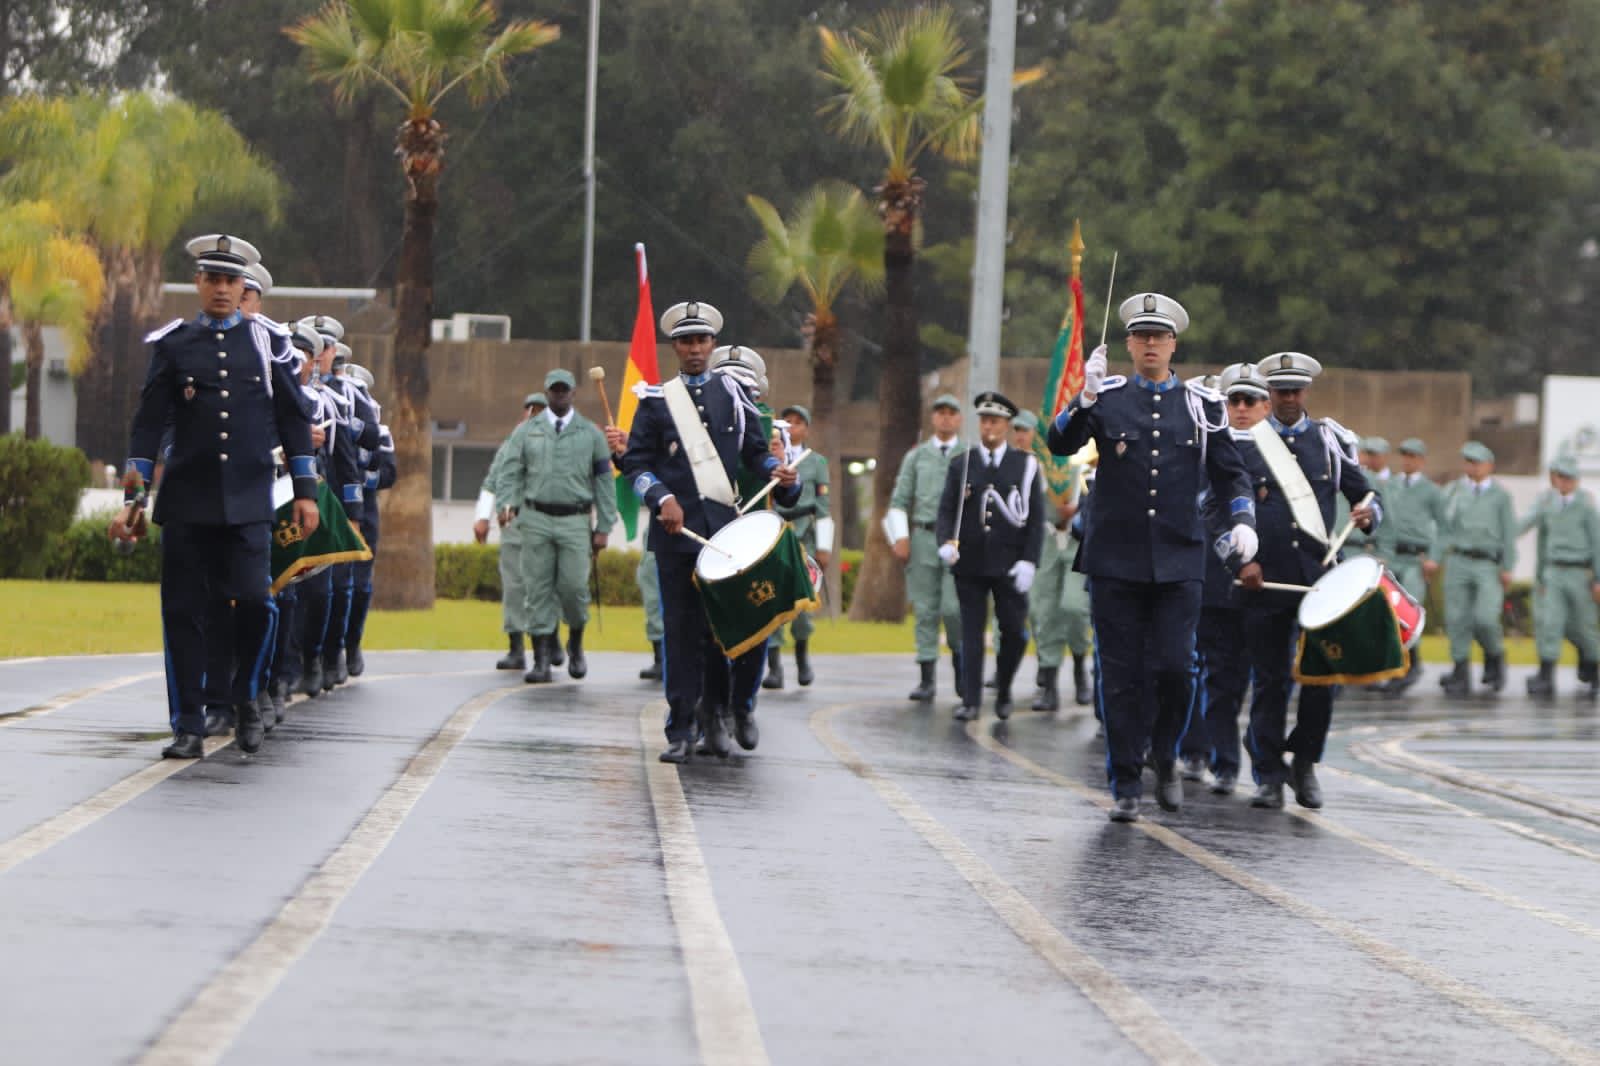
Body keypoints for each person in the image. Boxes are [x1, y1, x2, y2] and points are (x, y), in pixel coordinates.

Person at [1047, 292, 1256, 822]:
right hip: (1115, 559)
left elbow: (1232, 473)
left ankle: (1165, 754)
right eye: (1141, 337)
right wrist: (1082, 402)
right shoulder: (1109, 397)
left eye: (1159, 337)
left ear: (1173, 345)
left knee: (1175, 669)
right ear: (1129, 345)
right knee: (1119, 676)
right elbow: (1059, 445)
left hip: (1179, 559)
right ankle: (1123, 781)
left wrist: (1243, 520)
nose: (1150, 345)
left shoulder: (1202, 406)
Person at [110, 234, 319, 759]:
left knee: (255, 602)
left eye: (232, 281)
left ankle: (246, 696)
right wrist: (134, 500)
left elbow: (295, 419)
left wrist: (306, 491)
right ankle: (187, 723)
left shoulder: (269, 345)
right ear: (199, 284)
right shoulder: (174, 344)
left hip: (249, 502)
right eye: (214, 280)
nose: (223, 290)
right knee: (183, 613)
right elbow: (147, 427)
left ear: (243, 286)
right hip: (186, 503)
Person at [615, 300, 801, 762]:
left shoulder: (733, 397)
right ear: (675, 346)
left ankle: (718, 717)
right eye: (686, 342)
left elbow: (755, 454)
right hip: (677, 538)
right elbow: (636, 463)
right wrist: (662, 498)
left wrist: (777, 468)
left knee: (722, 633)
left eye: (701, 341)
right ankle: (680, 728)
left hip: (724, 535)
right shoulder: (656, 401)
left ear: (712, 344)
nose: (695, 349)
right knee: (680, 634)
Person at [1224, 353, 1378, 810]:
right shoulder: (1245, 443)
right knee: (1270, 682)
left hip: (1319, 584)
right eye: (1280, 391)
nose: (1288, 398)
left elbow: (1366, 492)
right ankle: (1268, 776)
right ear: (1268, 394)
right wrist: (1240, 563)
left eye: (1295, 391)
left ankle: (1305, 762)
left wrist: (1370, 512)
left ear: (1306, 392)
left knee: (1322, 679)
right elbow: (1221, 511)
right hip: (1265, 582)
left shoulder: (1328, 441)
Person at [495, 369, 618, 683]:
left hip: (575, 521)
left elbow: (604, 482)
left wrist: (604, 525)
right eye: (554, 390)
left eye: (564, 390)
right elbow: (510, 470)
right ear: (547, 393)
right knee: (536, 589)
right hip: (535, 518)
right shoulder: (527, 431)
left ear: (573, 393)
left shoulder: (590, 434)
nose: (559, 395)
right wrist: (506, 503)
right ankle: (541, 658)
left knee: (574, 587)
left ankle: (575, 642)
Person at [937, 392, 1045, 721]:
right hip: (969, 561)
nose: (989, 426)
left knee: (1013, 631)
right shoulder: (962, 463)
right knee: (972, 631)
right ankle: (970, 700)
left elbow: (1035, 518)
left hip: (1009, 563)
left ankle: (1006, 686)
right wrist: (945, 542)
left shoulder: (1025, 465)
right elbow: (947, 509)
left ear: (1008, 425)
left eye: (995, 421)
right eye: (984, 420)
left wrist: (1029, 560)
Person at [1190, 362, 1271, 794]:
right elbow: (1208, 510)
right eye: (1233, 400)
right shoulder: (1209, 446)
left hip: (1269, 588)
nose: (1241, 408)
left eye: (1250, 401)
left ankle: (1264, 765)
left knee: (1263, 681)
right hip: (1220, 582)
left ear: (1265, 404)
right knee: (1216, 676)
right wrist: (1237, 562)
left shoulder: (1284, 451)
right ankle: (1221, 759)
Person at [887, 394, 965, 703]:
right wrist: (900, 537)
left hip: (957, 541)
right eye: (940, 413)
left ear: (959, 419)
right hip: (922, 537)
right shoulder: (917, 457)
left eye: (951, 413)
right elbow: (899, 500)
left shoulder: (967, 455)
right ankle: (927, 678)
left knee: (954, 609)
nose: (945, 418)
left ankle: (962, 669)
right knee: (925, 609)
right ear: (933, 419)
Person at [1015, 409, 1092, 711]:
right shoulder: (1034, 467)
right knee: (1043, 611)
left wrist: (1078, 512)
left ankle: (1079, 664)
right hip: (1046, 541)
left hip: (1076, 543)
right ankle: (1047, 682)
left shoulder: (1085, 463)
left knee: (1073, 607)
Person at [1438, 442, 1518, 697]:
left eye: (1477, 462)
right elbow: (1443, 529)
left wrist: (1508, 567)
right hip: (1458, 560)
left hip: (1487, 563)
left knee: (1485, 618)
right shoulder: (1453, 491)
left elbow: (1509, 534)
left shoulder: (1501, 496)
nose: (1471, 466)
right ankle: (1460, 672)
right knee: (1457, 618)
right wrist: (1433, 557)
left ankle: (1494, 655)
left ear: (1489, 466)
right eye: (1468, 461)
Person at [1520, 454, 1600, 698]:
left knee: (1584, 627)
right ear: (1555, 478)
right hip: (1554, 570)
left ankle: (1593, 671)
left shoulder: (1586, 506)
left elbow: (1597, 544)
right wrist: (1541, 577)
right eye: (1561, 477)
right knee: (1550, 624)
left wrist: (1598, 579)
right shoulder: (1547, 504)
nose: (1565, 482)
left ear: (1576, 480)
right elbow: (1541, 543)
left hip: (1580, 572)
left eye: (1569, 478)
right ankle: (1546, 676)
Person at [475, 393, 542, 671]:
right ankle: (516, 647)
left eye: (540, 411)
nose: (533, 416)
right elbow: (492, 482)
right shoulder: (510, 446)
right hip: (514, 525)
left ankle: (549, 642)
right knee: (515, 587)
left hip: (548, 525)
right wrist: (482, 517)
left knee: (547, 587)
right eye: (530, 410)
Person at [767, 403, 832, 689]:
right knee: (772, 601)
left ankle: (802, 658)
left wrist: (825, 546)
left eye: (798, 422)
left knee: (804, 602)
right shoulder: (770, 457)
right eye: (787, 421)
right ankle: (774, 667)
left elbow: (823, 506)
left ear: (806, 428)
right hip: (774, 534)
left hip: (804, 534)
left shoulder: (816, 462)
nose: (792, 427)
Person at [1382, 437, 1447, 693]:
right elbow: (1384, 523)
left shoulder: (1431, 491)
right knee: (1387, 612)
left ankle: (1411, 666)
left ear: (1421, 460)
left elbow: (1444, 528)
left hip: (1416, 558)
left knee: (1407, 610)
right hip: (1392, 555)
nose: (1408, 460)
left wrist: (1435, 556)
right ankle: (1401, 666)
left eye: (1413, 456)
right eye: (1404, 455)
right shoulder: (1390, 486)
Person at [342, 363, 394, 676]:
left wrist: (359, 480)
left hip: (364, 514)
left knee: (360, 586)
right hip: (332, 506)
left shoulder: (379, 432)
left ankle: (351, 645)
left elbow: (388, 472)